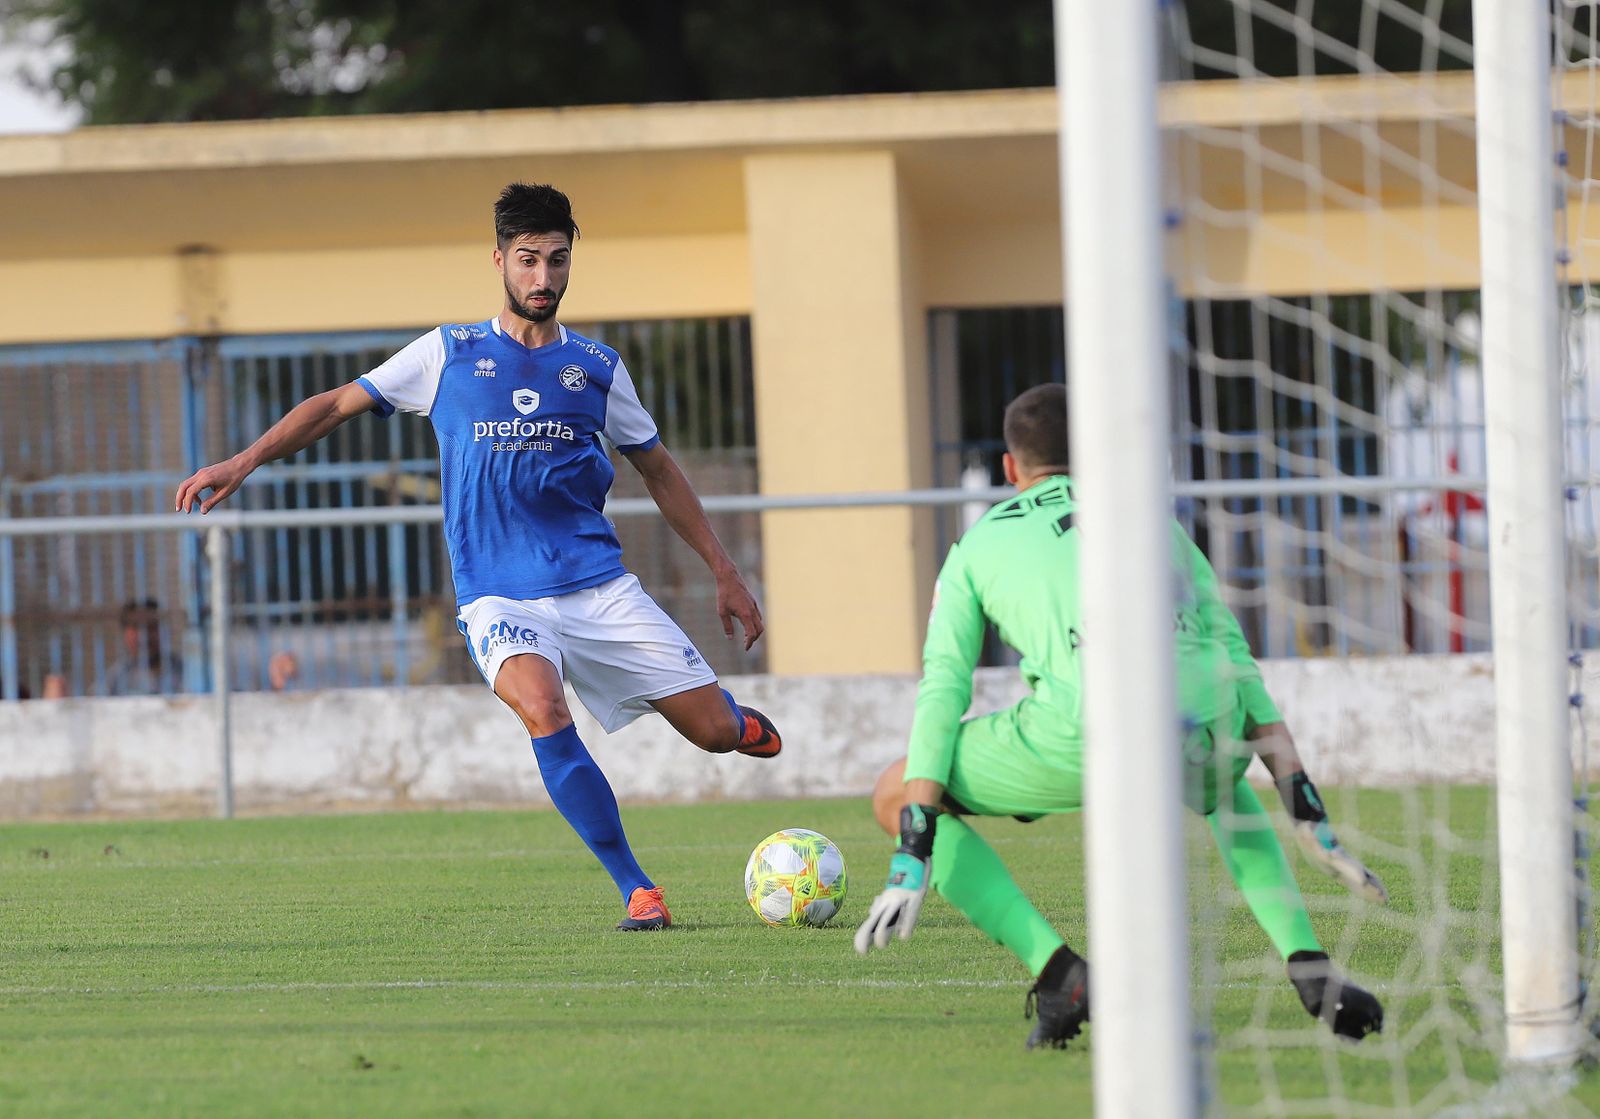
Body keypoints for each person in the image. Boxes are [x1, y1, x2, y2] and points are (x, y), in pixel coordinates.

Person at [175, 183, 781, 932]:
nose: (543, 278)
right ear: (499, 260)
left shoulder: (596, 368)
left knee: (716, 733)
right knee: (543, 705)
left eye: (557, 261)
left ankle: (729, 718)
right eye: (528, 259)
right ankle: (637, 887)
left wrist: (725, 569)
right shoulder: (448, 354)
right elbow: (333, 405)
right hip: (498, 594)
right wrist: (243, 461)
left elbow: (657, 467)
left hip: (598, 587)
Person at [853, 383, 1387, 1048]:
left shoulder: (977, 544)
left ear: (1011, 469)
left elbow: (944, 688)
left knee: (893, 788)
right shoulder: (1155, 521)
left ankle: (1059, 972)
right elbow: (1236, 663)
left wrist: (914, 847)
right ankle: (1308, 963)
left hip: (1084, 733)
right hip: (1208, 724)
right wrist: (1303, 800)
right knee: (1220, 790)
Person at [105, 598, 185, 697]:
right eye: (135, 627)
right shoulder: (114, 679)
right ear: (125, 634)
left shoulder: (186, 672)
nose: (144, 636)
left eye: (151, 627)